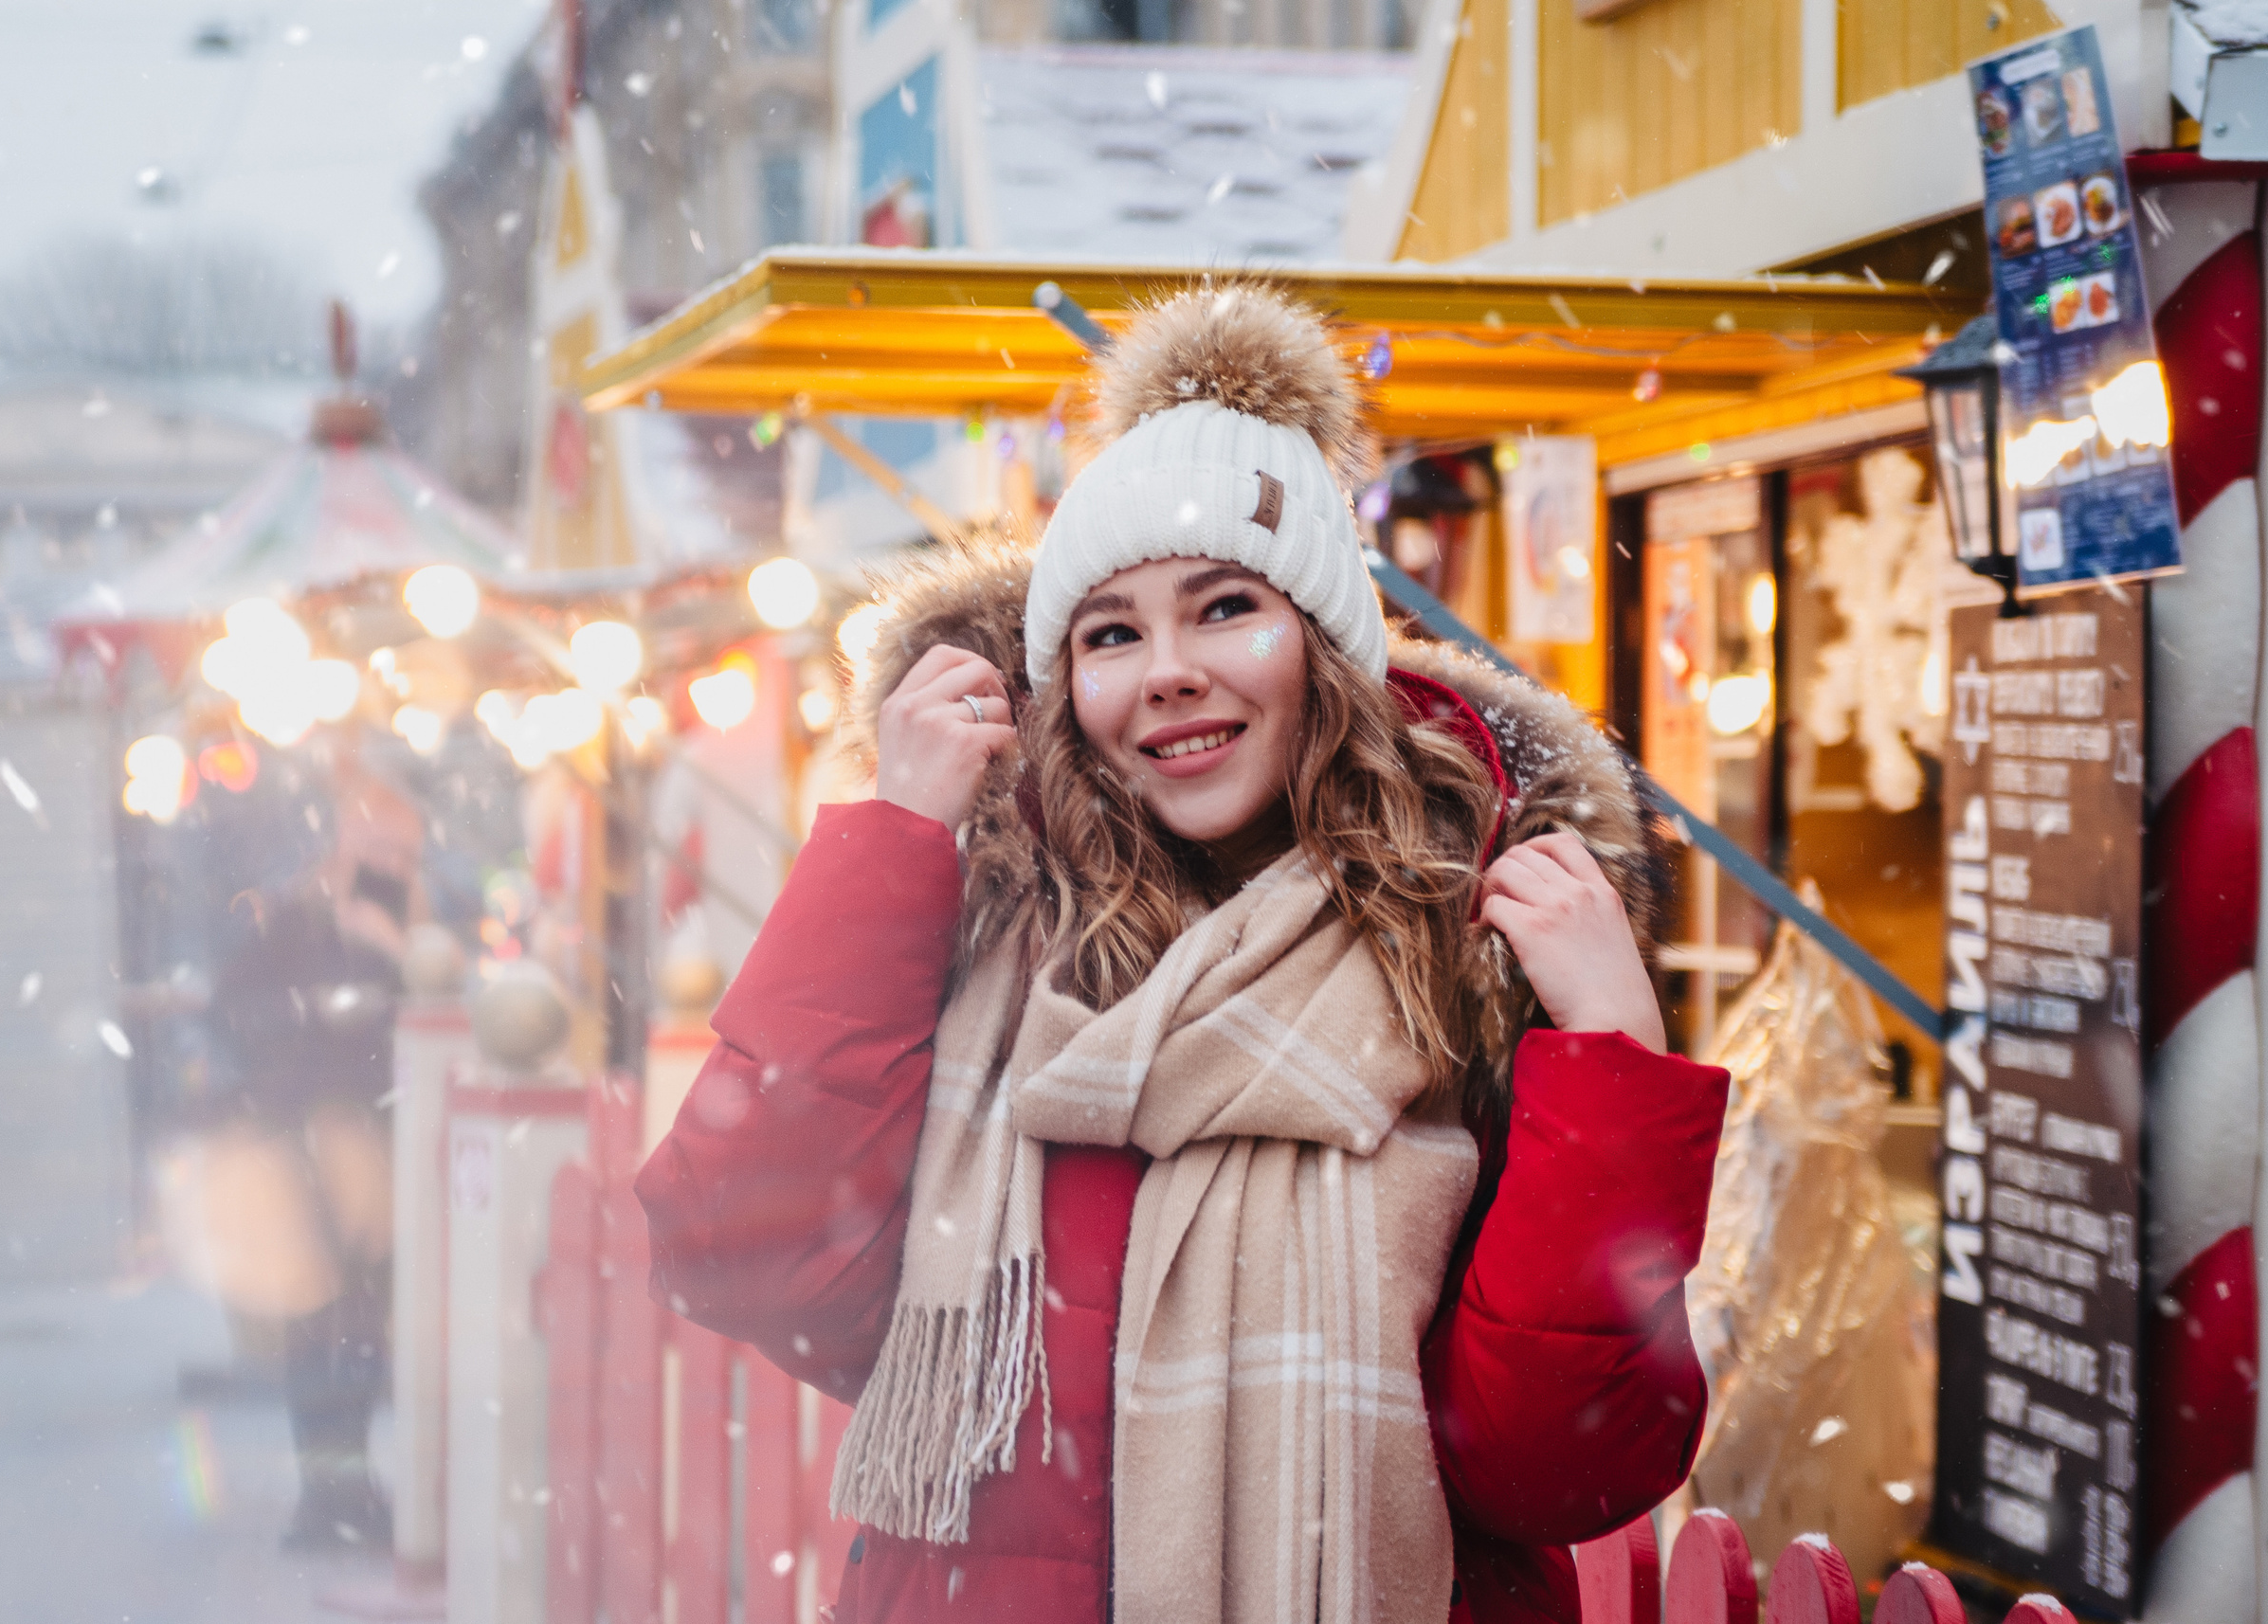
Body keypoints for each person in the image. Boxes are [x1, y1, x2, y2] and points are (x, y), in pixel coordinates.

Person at [636, 284, 1730, 1622]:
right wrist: (894, 841)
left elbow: (1555, 1462)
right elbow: (739, 1248)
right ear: (1063, 684)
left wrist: (1610, 1043)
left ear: (1325, 648)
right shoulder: (993, 946)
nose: (1165, 669)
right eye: (1111, 632)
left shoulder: (1472, 949)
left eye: (1223, 608)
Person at [203, 758, 420, 1550]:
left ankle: (346, 1487)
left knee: (357, 1331)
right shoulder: (294, 920)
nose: (389, 866)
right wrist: (312, 1016)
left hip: (380, 1147)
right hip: (309, 1143)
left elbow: (435, 1012)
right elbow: (233, 1007)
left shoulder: (410, 924)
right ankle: (328, 1493)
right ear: (340, 845)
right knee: (323, 1326)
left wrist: (393, 950)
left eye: (403, 852)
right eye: (376, 847)